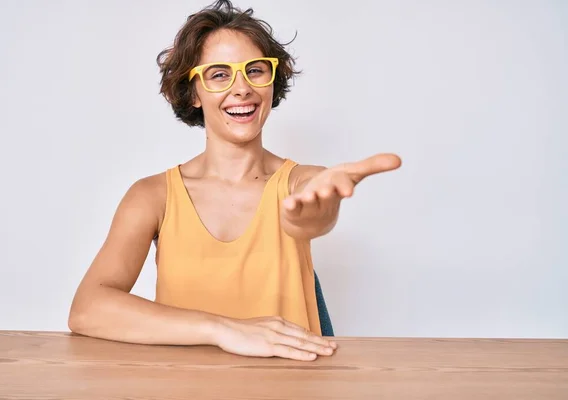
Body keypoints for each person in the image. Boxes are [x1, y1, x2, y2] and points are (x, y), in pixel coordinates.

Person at [68, 0, 401, 362]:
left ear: (273, 82)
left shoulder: (299, 182)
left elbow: (310, 210)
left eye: (256, 70)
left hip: (292, 388)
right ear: (193, 92)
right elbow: (87, 308)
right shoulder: (152, 196)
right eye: (219, 74)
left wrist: (313, 213)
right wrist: (224, 329)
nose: (242, 88)